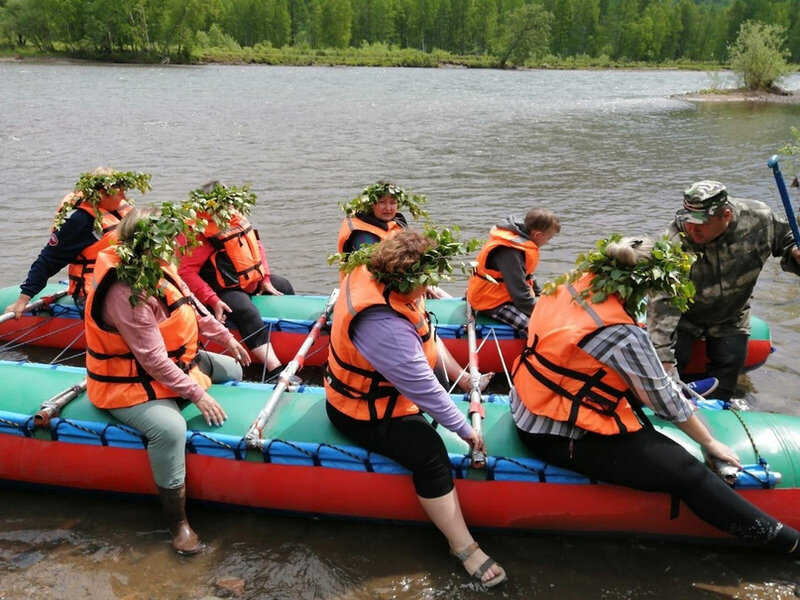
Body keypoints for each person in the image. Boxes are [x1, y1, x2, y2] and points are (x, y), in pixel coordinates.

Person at [512, 235, 799, 553]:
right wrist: (710, 442)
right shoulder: (620, 333)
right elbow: (663, 401)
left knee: (650, 393)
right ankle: (786, 543)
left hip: (531, 401)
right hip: (555, 431)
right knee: (689, 473)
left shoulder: (572, 286)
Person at [325, 230, 506, 587]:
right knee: (430, 454)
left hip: (381, 390)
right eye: (425, 281)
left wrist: (462, 382)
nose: (429, 287)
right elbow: (423, 387)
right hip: (360, 409)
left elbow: (423, 340)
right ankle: (463, 546)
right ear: (407, 277)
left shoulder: (371, 274)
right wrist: (466, 431)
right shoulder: (383, 322)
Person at [84, 207, 252, 556]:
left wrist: (228, 339)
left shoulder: (158, 267)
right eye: (167, 239)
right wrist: (197, 394)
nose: (175, 246)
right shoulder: (124, 293)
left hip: (173, 362)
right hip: (128, 383)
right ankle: (177, 524)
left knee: (234, 371)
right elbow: (152, 360)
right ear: (144, 245)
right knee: (170, 429)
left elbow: (189, 307)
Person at [647, 181, 800, 401]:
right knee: (669, 367)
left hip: (731, 315)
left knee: (727, 375)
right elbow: (662, 301)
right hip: (686, 316)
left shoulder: (759, 219)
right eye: (687, 221)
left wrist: (795, 250)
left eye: (701, 223)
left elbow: (788, 239)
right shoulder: (674, 241)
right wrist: (663, 355)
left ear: (726, 215)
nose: (692, 228)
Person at [337, 181, 493, 393]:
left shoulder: (396, 221)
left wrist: (422, 282)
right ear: (369, 205)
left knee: (428, 326)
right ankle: (462, 380)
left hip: (402, 288)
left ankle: (463, 378)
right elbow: (375, 273)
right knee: (424, 329)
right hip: (375, 295)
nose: (388, 208)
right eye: (382, 202)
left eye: (393, 202)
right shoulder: (361, 234)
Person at [178, 182, 294, 373]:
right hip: (219, 289)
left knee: (283, 285)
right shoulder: (197, 231)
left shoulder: (234, 218)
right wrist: (212, 300)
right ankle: (274, 369)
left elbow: (257, 246)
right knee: (246, 310)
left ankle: (294, 335)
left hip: (249, 280)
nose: (230, 208)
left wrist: (265, 279)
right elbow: (186, 273)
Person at [5, 167, 150, 317]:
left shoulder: (121, 209)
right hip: (98, 292)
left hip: (126, 282)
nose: (123, 195)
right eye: (117, 191)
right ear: (100, 194)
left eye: (122, 190)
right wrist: (22, 301)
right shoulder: (81, 222)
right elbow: (48, 260)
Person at [467, 208, 561, 337]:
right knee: (540, 331)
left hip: (504, 295)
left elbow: (527, 277)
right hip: (492, 302)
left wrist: (543, 296)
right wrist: (546, 312)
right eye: (549, 238)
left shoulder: (521, 242)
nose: (548, 242)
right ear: (538, 235)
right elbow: (521, 297)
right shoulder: (510, 252)